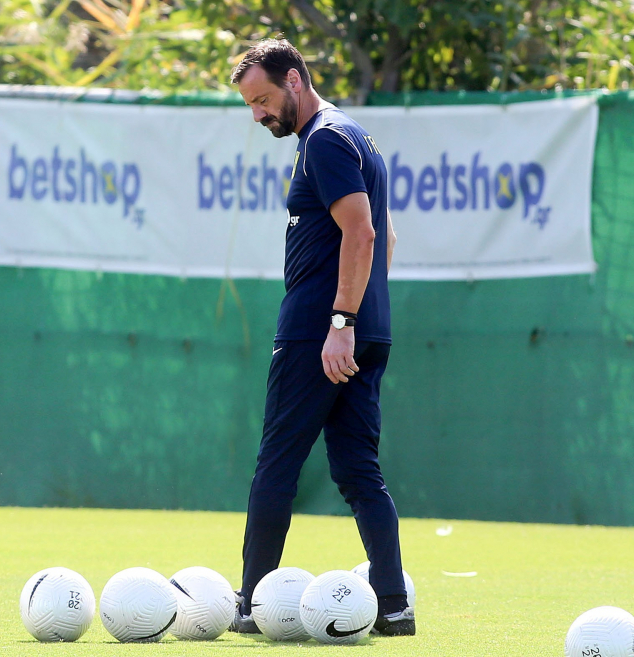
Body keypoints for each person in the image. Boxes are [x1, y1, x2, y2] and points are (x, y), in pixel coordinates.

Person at [228, 37, 414, 637]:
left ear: (294, 80)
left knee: (277, 465)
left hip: (320, 332)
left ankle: (251, 604)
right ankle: (393, 605)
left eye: (262, 100)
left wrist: (339, 322)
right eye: (250, 106)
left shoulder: (324, 140)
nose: (258, 115)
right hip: (365, 329)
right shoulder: (354, 134)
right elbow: (386, 237)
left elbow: (362, 234)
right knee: (360, 471)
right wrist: (361, 317)